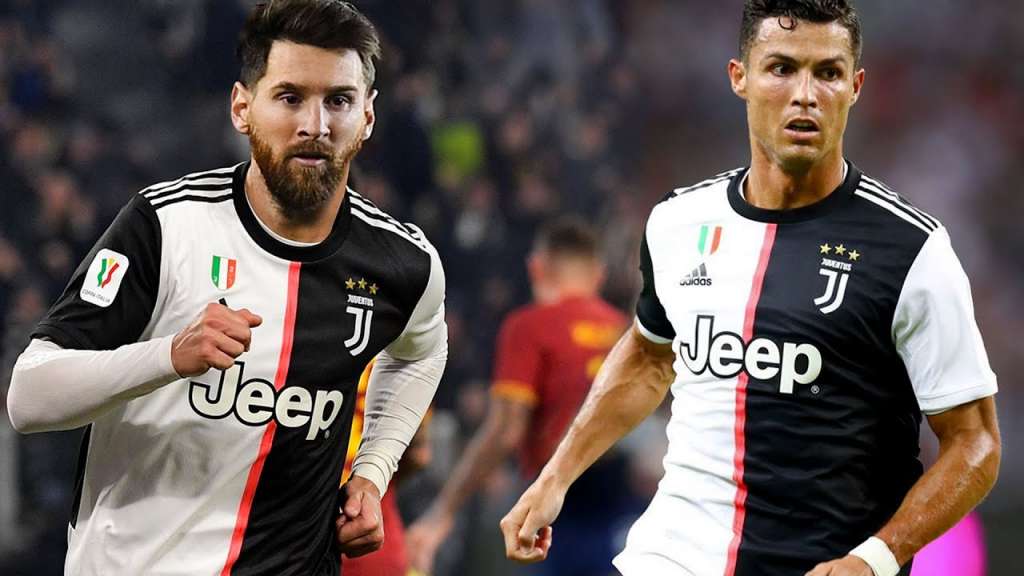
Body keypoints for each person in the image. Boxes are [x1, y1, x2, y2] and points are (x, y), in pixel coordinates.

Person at [500, 2, 1001, 576]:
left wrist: (874, 559)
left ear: (855, 87)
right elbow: (647, 356)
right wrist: (556, 477)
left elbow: (976, 443)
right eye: (782, 68)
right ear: (740, 77)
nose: (805, 94)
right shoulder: (677, 221)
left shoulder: (913, 251)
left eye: (828, 73)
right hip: (671, 557)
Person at [5, 2, 447, 575]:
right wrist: (169, 355)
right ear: (242, 108)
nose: (315, 125)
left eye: (338, 100)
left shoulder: (404, 264)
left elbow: (422, 352)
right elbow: (29, 396)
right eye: (289, 98)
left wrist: (372, 471)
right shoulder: (165, 225)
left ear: (367, 116)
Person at [406, 217, 627, 575]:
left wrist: (443, 510)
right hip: (620, 502)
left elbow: (506, 432)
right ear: (598, 274)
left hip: (555, 505)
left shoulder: (529, 327)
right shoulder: (624, 328)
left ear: (536, 268)